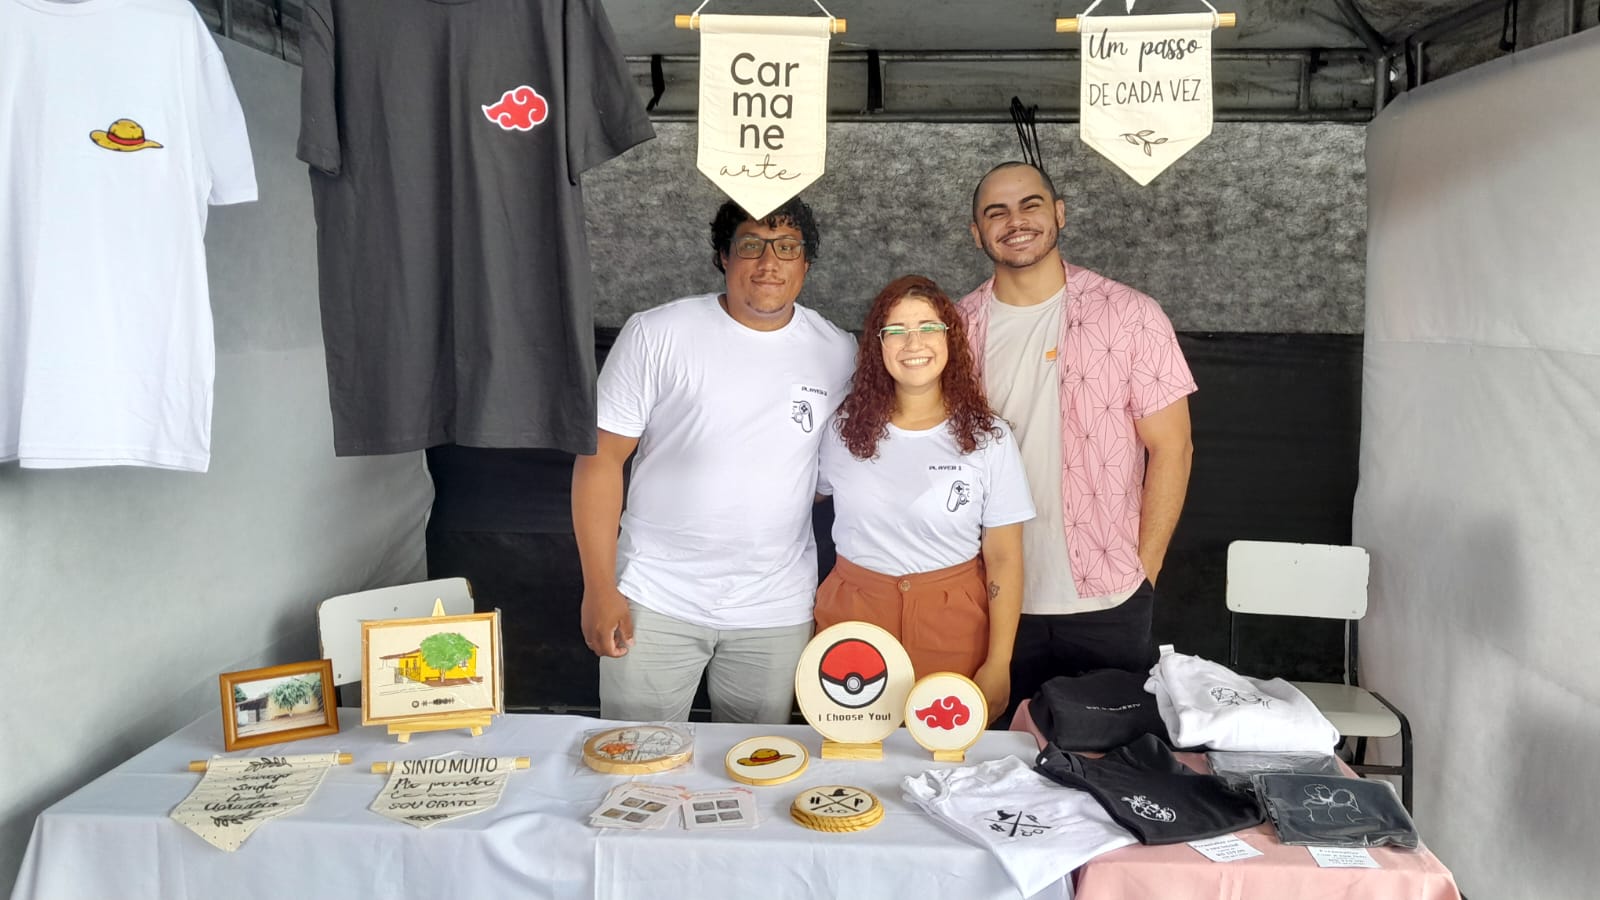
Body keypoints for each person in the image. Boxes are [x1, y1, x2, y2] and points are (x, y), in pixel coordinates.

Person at [572, 197, 856, 724]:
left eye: (787, 247)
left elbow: (837, 467)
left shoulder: (839, 352)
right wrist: (599, 588)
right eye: (751, 245)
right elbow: (600, 460)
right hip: (655, 595)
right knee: (636, 759)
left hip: (774, 608)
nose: (769, 263)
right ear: (723, 256)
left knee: (756, 763)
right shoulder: (657, 333)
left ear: (806, 263)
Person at [957, 162, 1196, 714]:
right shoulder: (956, 328)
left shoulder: (1131, 315)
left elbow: (1172, 448)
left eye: (1031, 205)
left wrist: (1144, 573)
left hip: (1109, 596)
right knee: (994, 754)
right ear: (976, 233)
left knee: (1109, 756)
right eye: (996, 212)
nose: (1015, 221)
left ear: (1059, 213)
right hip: (988, 597)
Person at [814, 275, 1034, 718]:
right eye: (896, 330)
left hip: (954, 630)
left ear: (950, 337)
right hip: (853, 624)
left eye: (928, 327)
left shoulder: (989, 438)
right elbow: (800, 498)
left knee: (943, 751)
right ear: (878, 345)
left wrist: (999, 663)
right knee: (852, 752)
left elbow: (1005, 558)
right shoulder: (841, 431)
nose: (913, 343)